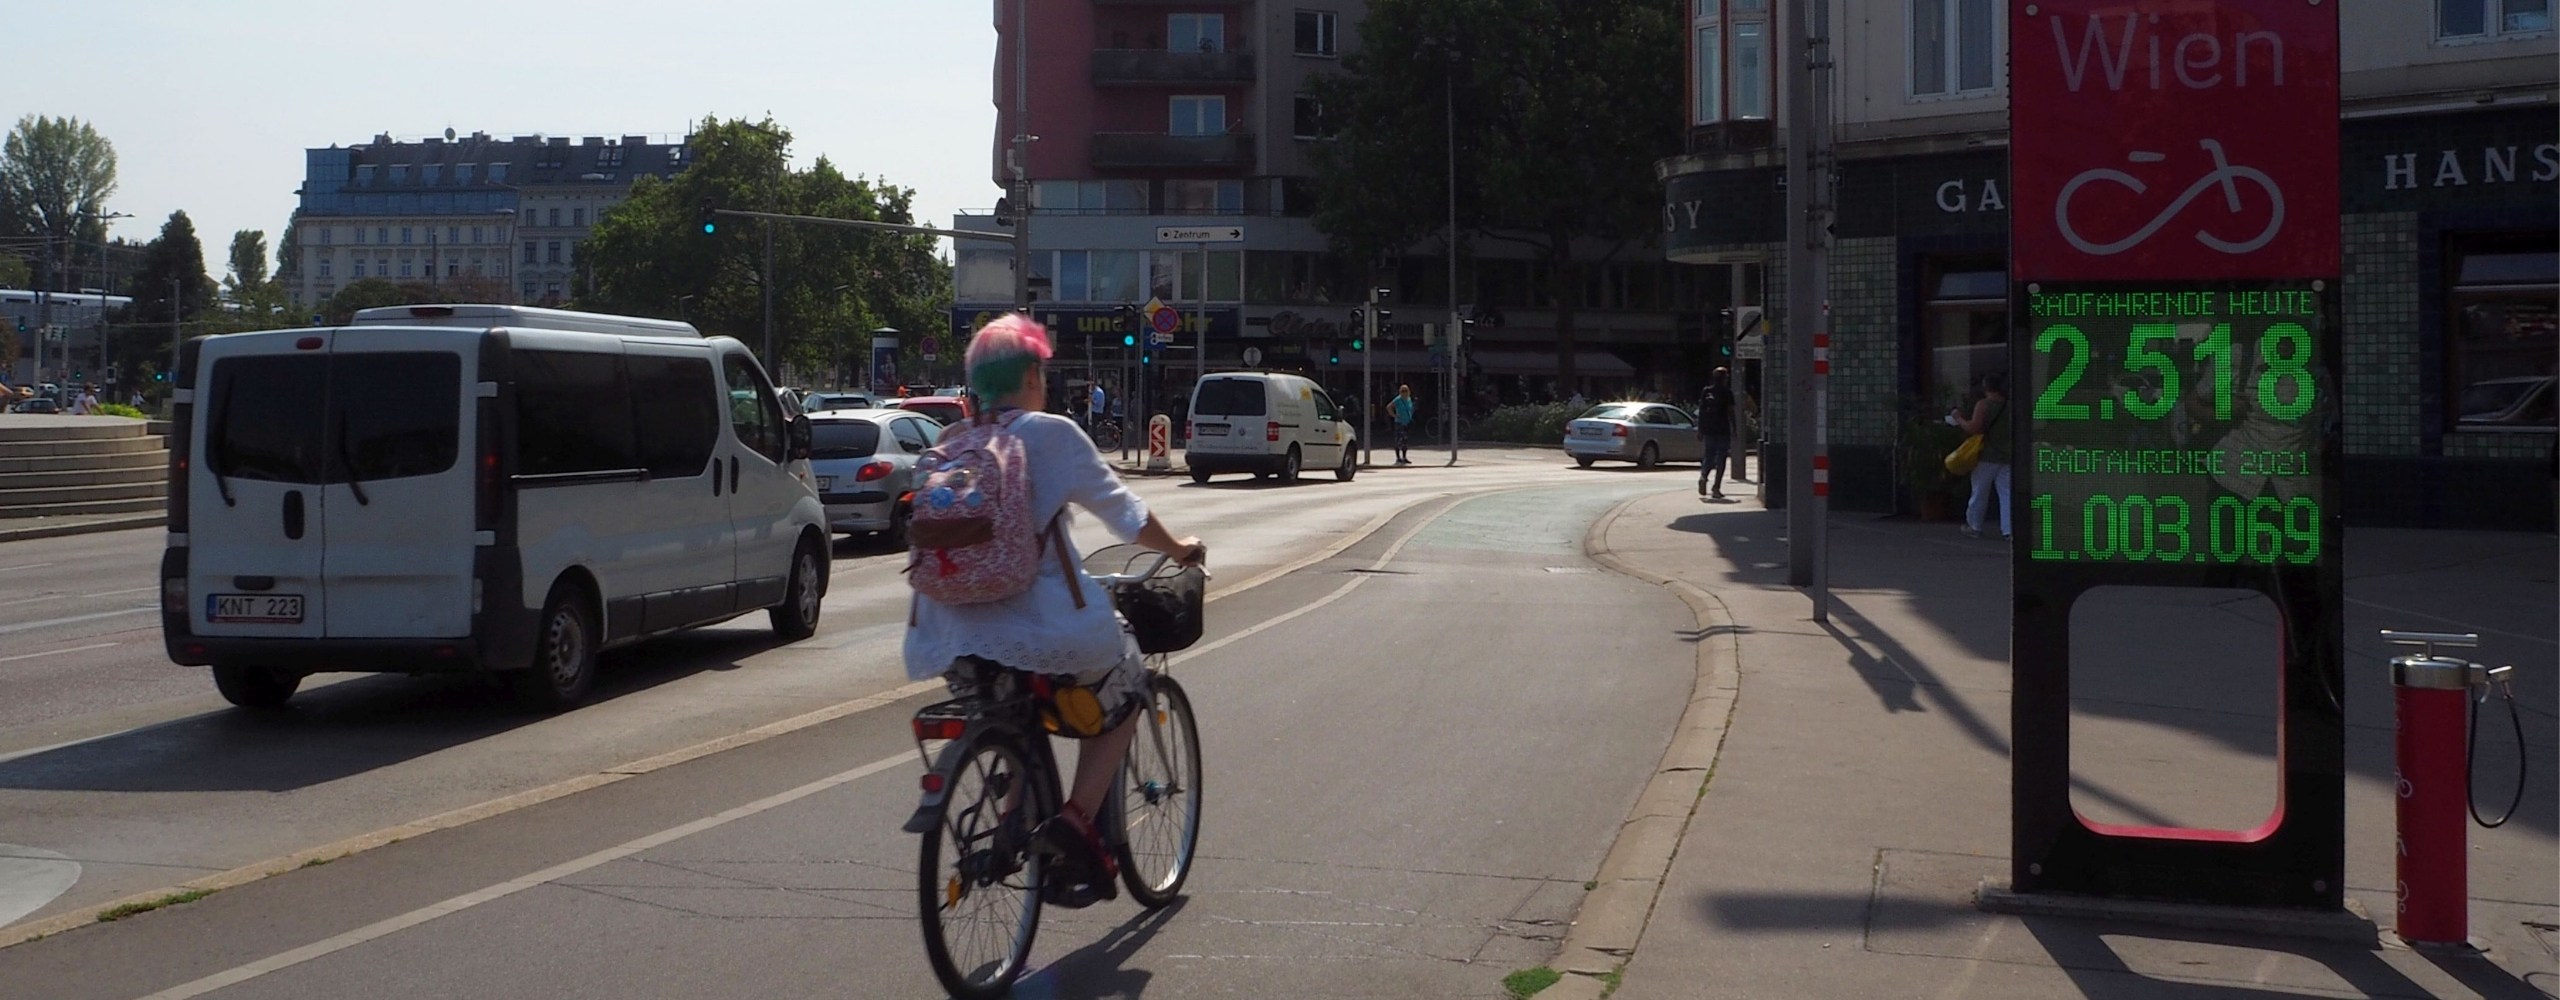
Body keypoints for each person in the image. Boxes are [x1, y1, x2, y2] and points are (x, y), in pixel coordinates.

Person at [902, 314, 1205, 905]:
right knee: (1129, 682)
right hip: (1044, 627)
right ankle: (1075, 819)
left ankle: (1015, 815)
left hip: (948, 636)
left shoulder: (948, 445)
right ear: (1035, 375)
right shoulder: (1052, 434)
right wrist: (1180, 549)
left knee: (1012, 702)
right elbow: (1127, 515)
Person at [1950, 372, 2013, 540]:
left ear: (1985, 387)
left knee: (1979, 492)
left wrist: (1959, 419)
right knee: (2006, 494)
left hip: (1986, 456)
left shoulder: (1984, 405)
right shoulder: (2009, 405)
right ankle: (2008, 530)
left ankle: (1974, 526)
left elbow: (1974, 428)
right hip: (2007, 456)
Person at [1697, 368, 1734, 499]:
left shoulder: (1706, 391)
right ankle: (1716, 488)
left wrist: (1700, 429)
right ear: (1725, 378)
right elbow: (1730, 412)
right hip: (1722, 429)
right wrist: (1734, 428)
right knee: (1721, 459)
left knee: (1709, 455)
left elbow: (1701, 411)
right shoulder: (1727, 392)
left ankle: (1703, 476)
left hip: (1708, 429)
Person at [1389, 384, 1417, 465]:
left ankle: (1404, 457)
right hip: (1399, 422)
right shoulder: (1398, 400)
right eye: (1402, 391)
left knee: (1405, 440)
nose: (1404, 393)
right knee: (1398, 440)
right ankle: (1398, 458)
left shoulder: (1409, 399)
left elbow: (1410, 408)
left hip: (1407, 422)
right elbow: (1389, 407)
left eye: (1406, 391)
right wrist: (1394, 415)